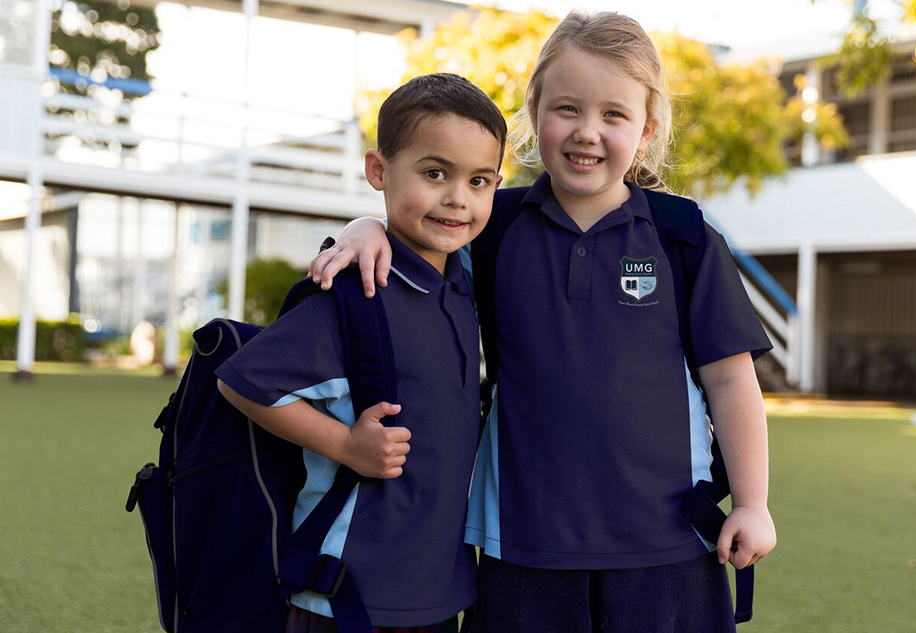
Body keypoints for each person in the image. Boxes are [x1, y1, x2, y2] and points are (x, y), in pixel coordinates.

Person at [309, 11, 776, 633]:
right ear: (534, 112)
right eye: (567, 109)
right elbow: (414, 228)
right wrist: (364, 226)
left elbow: (730, 381)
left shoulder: (683, 237)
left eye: (614, 114)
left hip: (668, 548)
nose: (587, 132)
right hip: (521, 549)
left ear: (647, 129)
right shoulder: (490, 226)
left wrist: (750, 503)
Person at [216, 73, 506, 633]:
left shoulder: (465, 278)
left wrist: (368, 222)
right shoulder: (357, 293)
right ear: (378, 170)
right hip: (346, 595)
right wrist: (347, 445)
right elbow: (241, 382)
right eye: (434, 172)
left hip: (441, 591)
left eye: (479, 181)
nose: (457, 198)